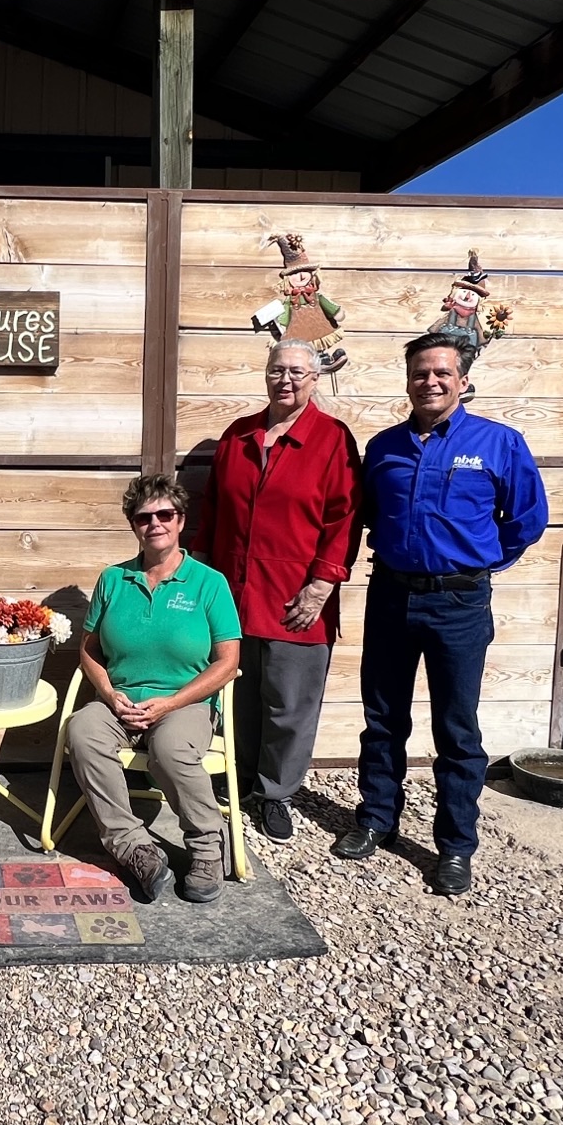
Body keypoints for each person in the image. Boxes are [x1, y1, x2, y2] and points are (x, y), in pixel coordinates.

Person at [340, 332, 549, 895]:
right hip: (390, 595)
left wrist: (474, 565)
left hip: (459, 602)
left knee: (457, 729)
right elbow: (363, 514)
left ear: (461, 380)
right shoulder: (384, 447)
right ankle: (377, 820)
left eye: (440, 373)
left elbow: (526, 520)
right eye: (419, 373)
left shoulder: (498, 443)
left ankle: (455, 846)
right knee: (383, 718)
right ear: (407, 379)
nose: (429, 382)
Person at [192, 337, 362, 844]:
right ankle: (239, 778)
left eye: (295, 372)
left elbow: (345, 517)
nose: (284, 380)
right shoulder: (239, 435)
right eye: (276, 371)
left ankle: (275, 792)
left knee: (289, 703)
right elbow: (215, 512)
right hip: (234, 592)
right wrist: (200, 573)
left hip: (295, 597)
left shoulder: (332, 438)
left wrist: (321, 585)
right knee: (238, 694)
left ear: (314, 379)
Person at [67, 475, 242, 904]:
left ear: (181, 521)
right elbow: (88, 652)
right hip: (120, 699)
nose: (155, 523)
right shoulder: (113, 580)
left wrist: (171, 703)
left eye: (165, 514)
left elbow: (228, 661)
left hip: (186, 702)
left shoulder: (208, 583)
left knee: (170, 749)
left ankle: (206, 847)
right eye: (144, 517)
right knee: (82, 732)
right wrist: (109, 695)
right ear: (133, 525)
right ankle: (132, 847)